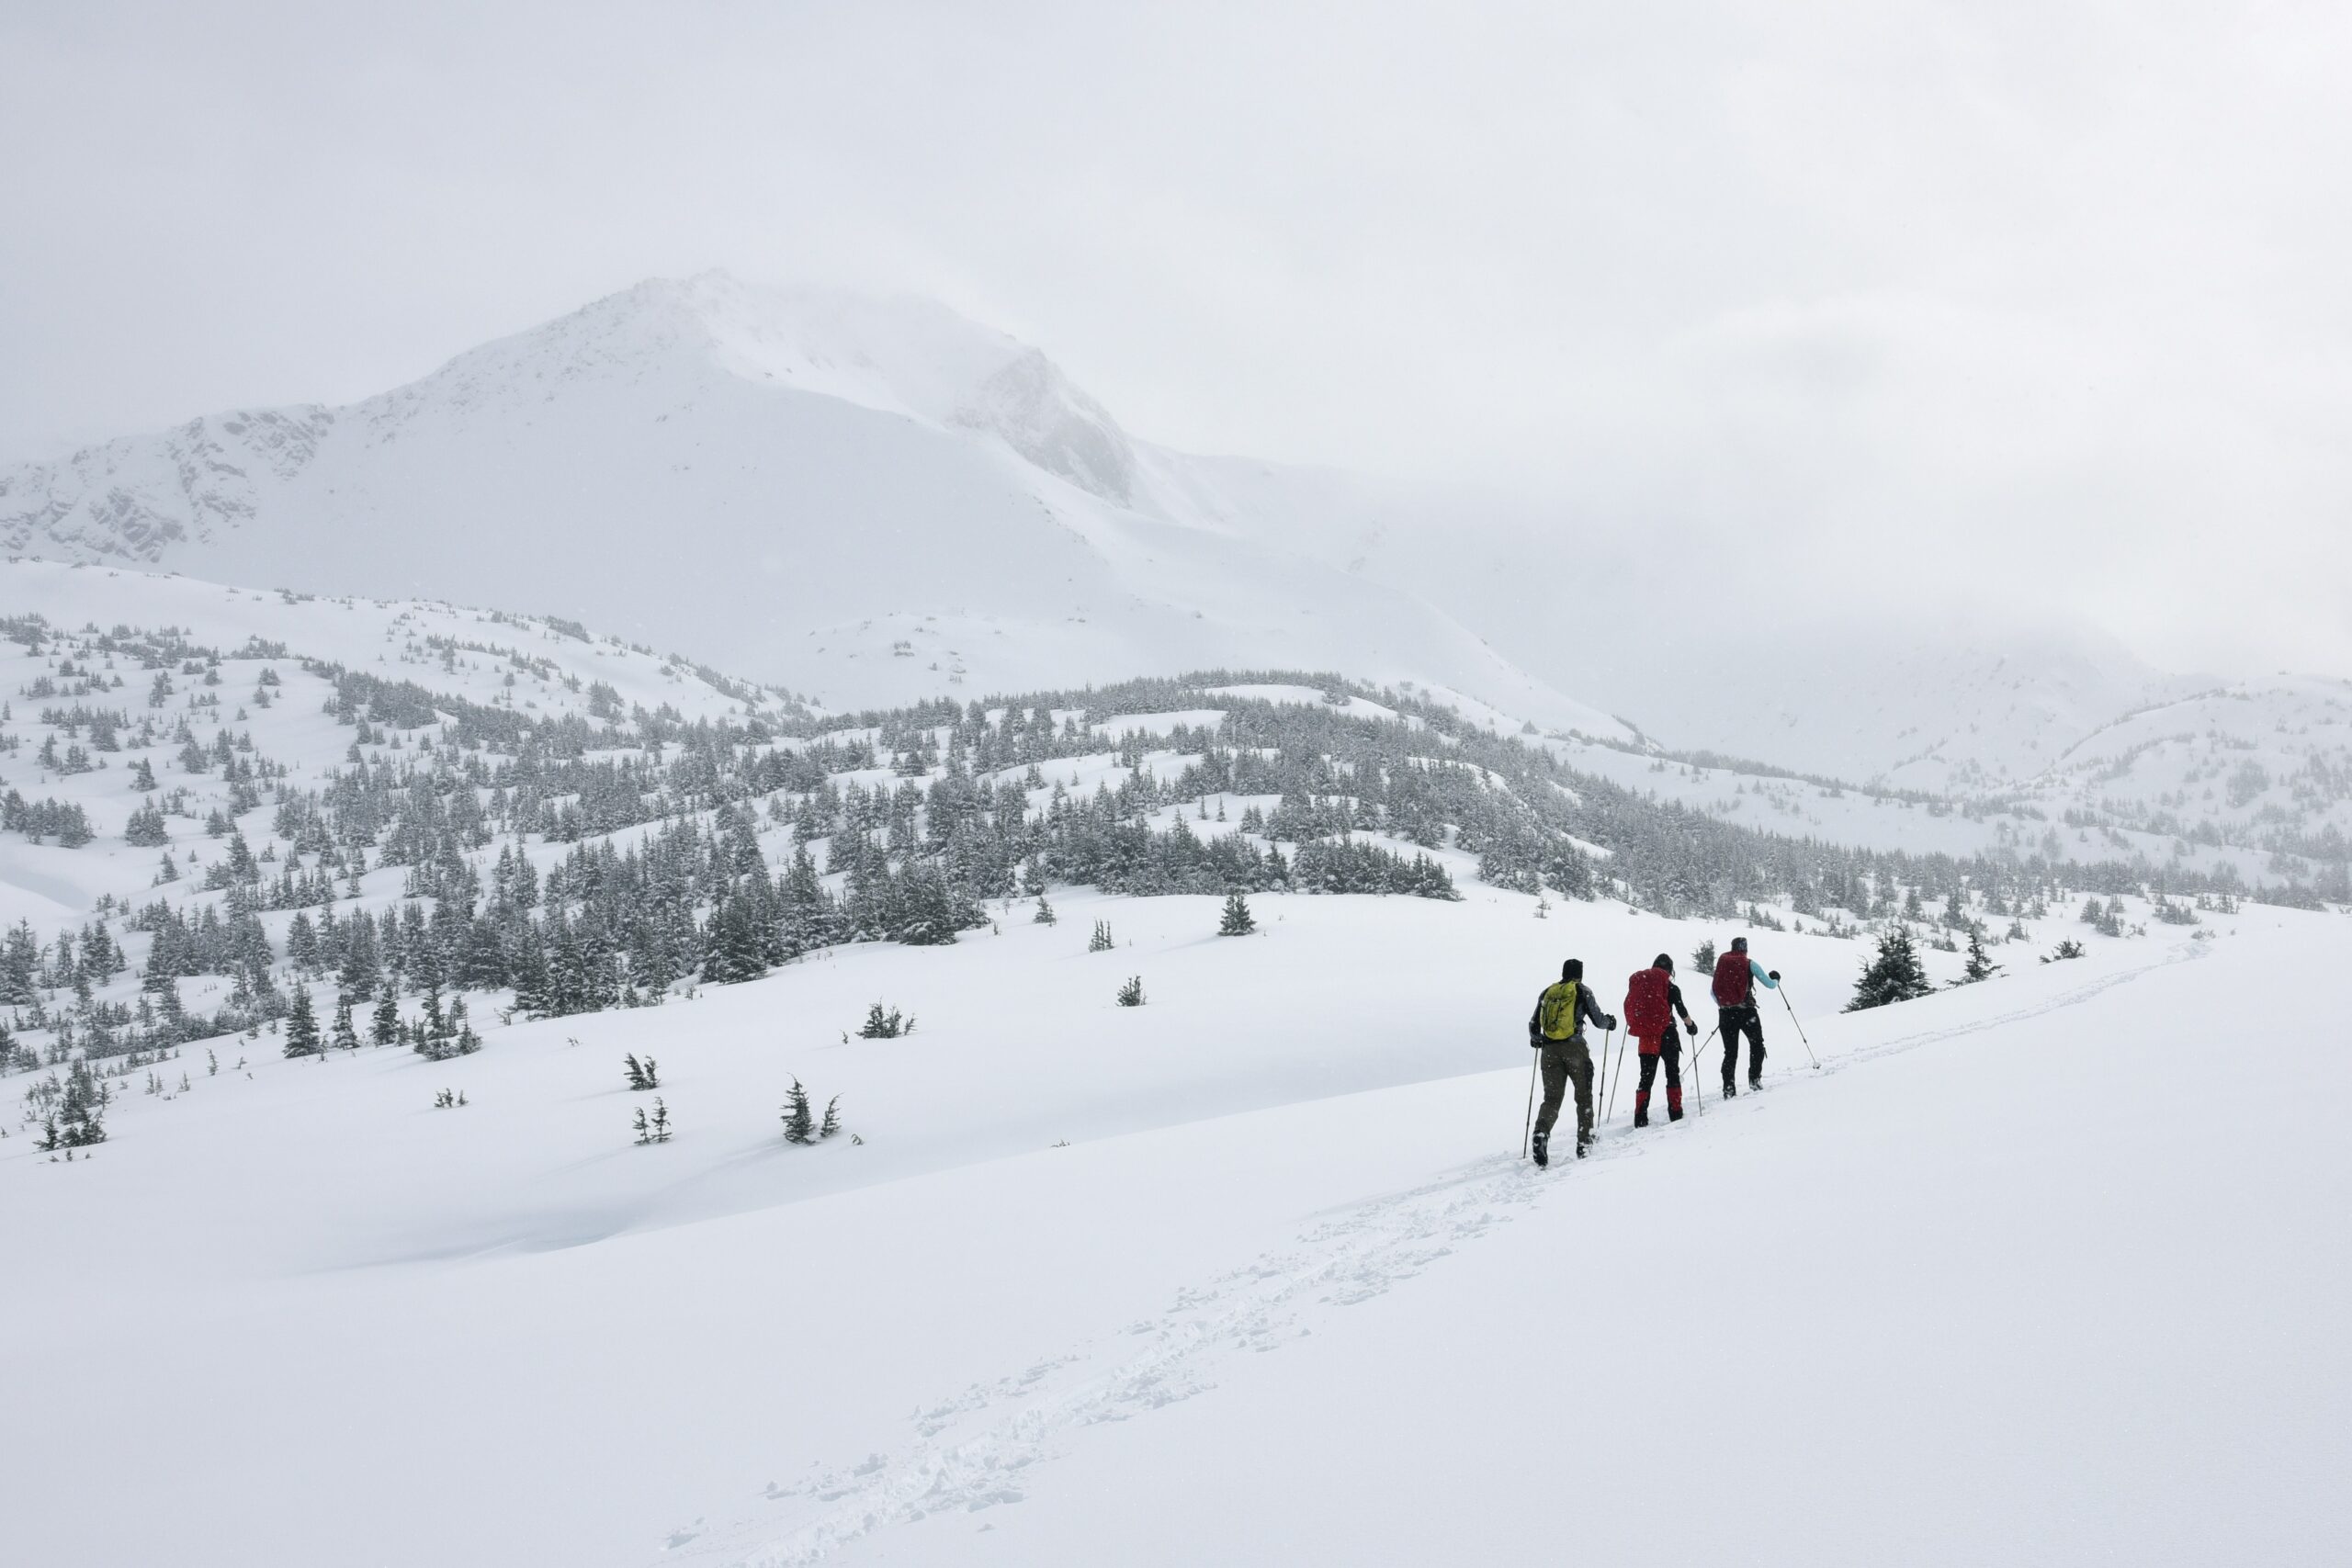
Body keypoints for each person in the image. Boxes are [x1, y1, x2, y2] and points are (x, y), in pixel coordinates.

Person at [1527, 958, 1617, 1166]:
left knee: (1551, 1098)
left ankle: (1541, 1133)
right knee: (1584, 1096)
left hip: (1549, 1050)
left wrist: (1538, 1040)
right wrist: (1610, 1022)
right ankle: (1584, 1143)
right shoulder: (1582, 990)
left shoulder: (1547, 992)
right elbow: (1598, 1020)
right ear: (1580, 973)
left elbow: (1533, 1024)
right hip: (1575, 1048)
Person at [1624, 953, 1700, 1127]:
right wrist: (1691, 1026)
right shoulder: (1671, 988)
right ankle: (1675, 1112)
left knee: (1646, 1077)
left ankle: (1640, 1116)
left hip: (1647, 1037)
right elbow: (1681, 1010)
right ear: (1669, 971)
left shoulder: (1642, 986)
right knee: (1672, 1073)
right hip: (1668, 1034)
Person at [1710, 935, 1781, 1094]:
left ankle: (1729, 1087)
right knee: (1756, 1045)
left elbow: (1713, 992)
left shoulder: (1722, 962)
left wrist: (1727, 1005)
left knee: (1730, 1052)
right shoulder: (1750, 964)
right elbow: (1770, 984)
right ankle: (1754, 1080)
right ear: (1745, 949)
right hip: (1747, 1012)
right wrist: (1776, 979)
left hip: (1726, 1014)